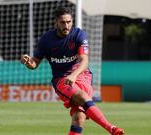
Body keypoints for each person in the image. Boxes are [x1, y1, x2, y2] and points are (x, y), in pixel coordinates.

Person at [21, 6, 125, 135]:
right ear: (56, 23)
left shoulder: (78, 34)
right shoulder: (46, 39)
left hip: (82, 75)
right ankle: (112, 129)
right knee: (82, 97)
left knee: (79, 117)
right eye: (63, 22)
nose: (66, 25)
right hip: (62, 80)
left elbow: (84, 60)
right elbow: (34, 63)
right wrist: (28, 62)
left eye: (69, 22)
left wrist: (74, 75)